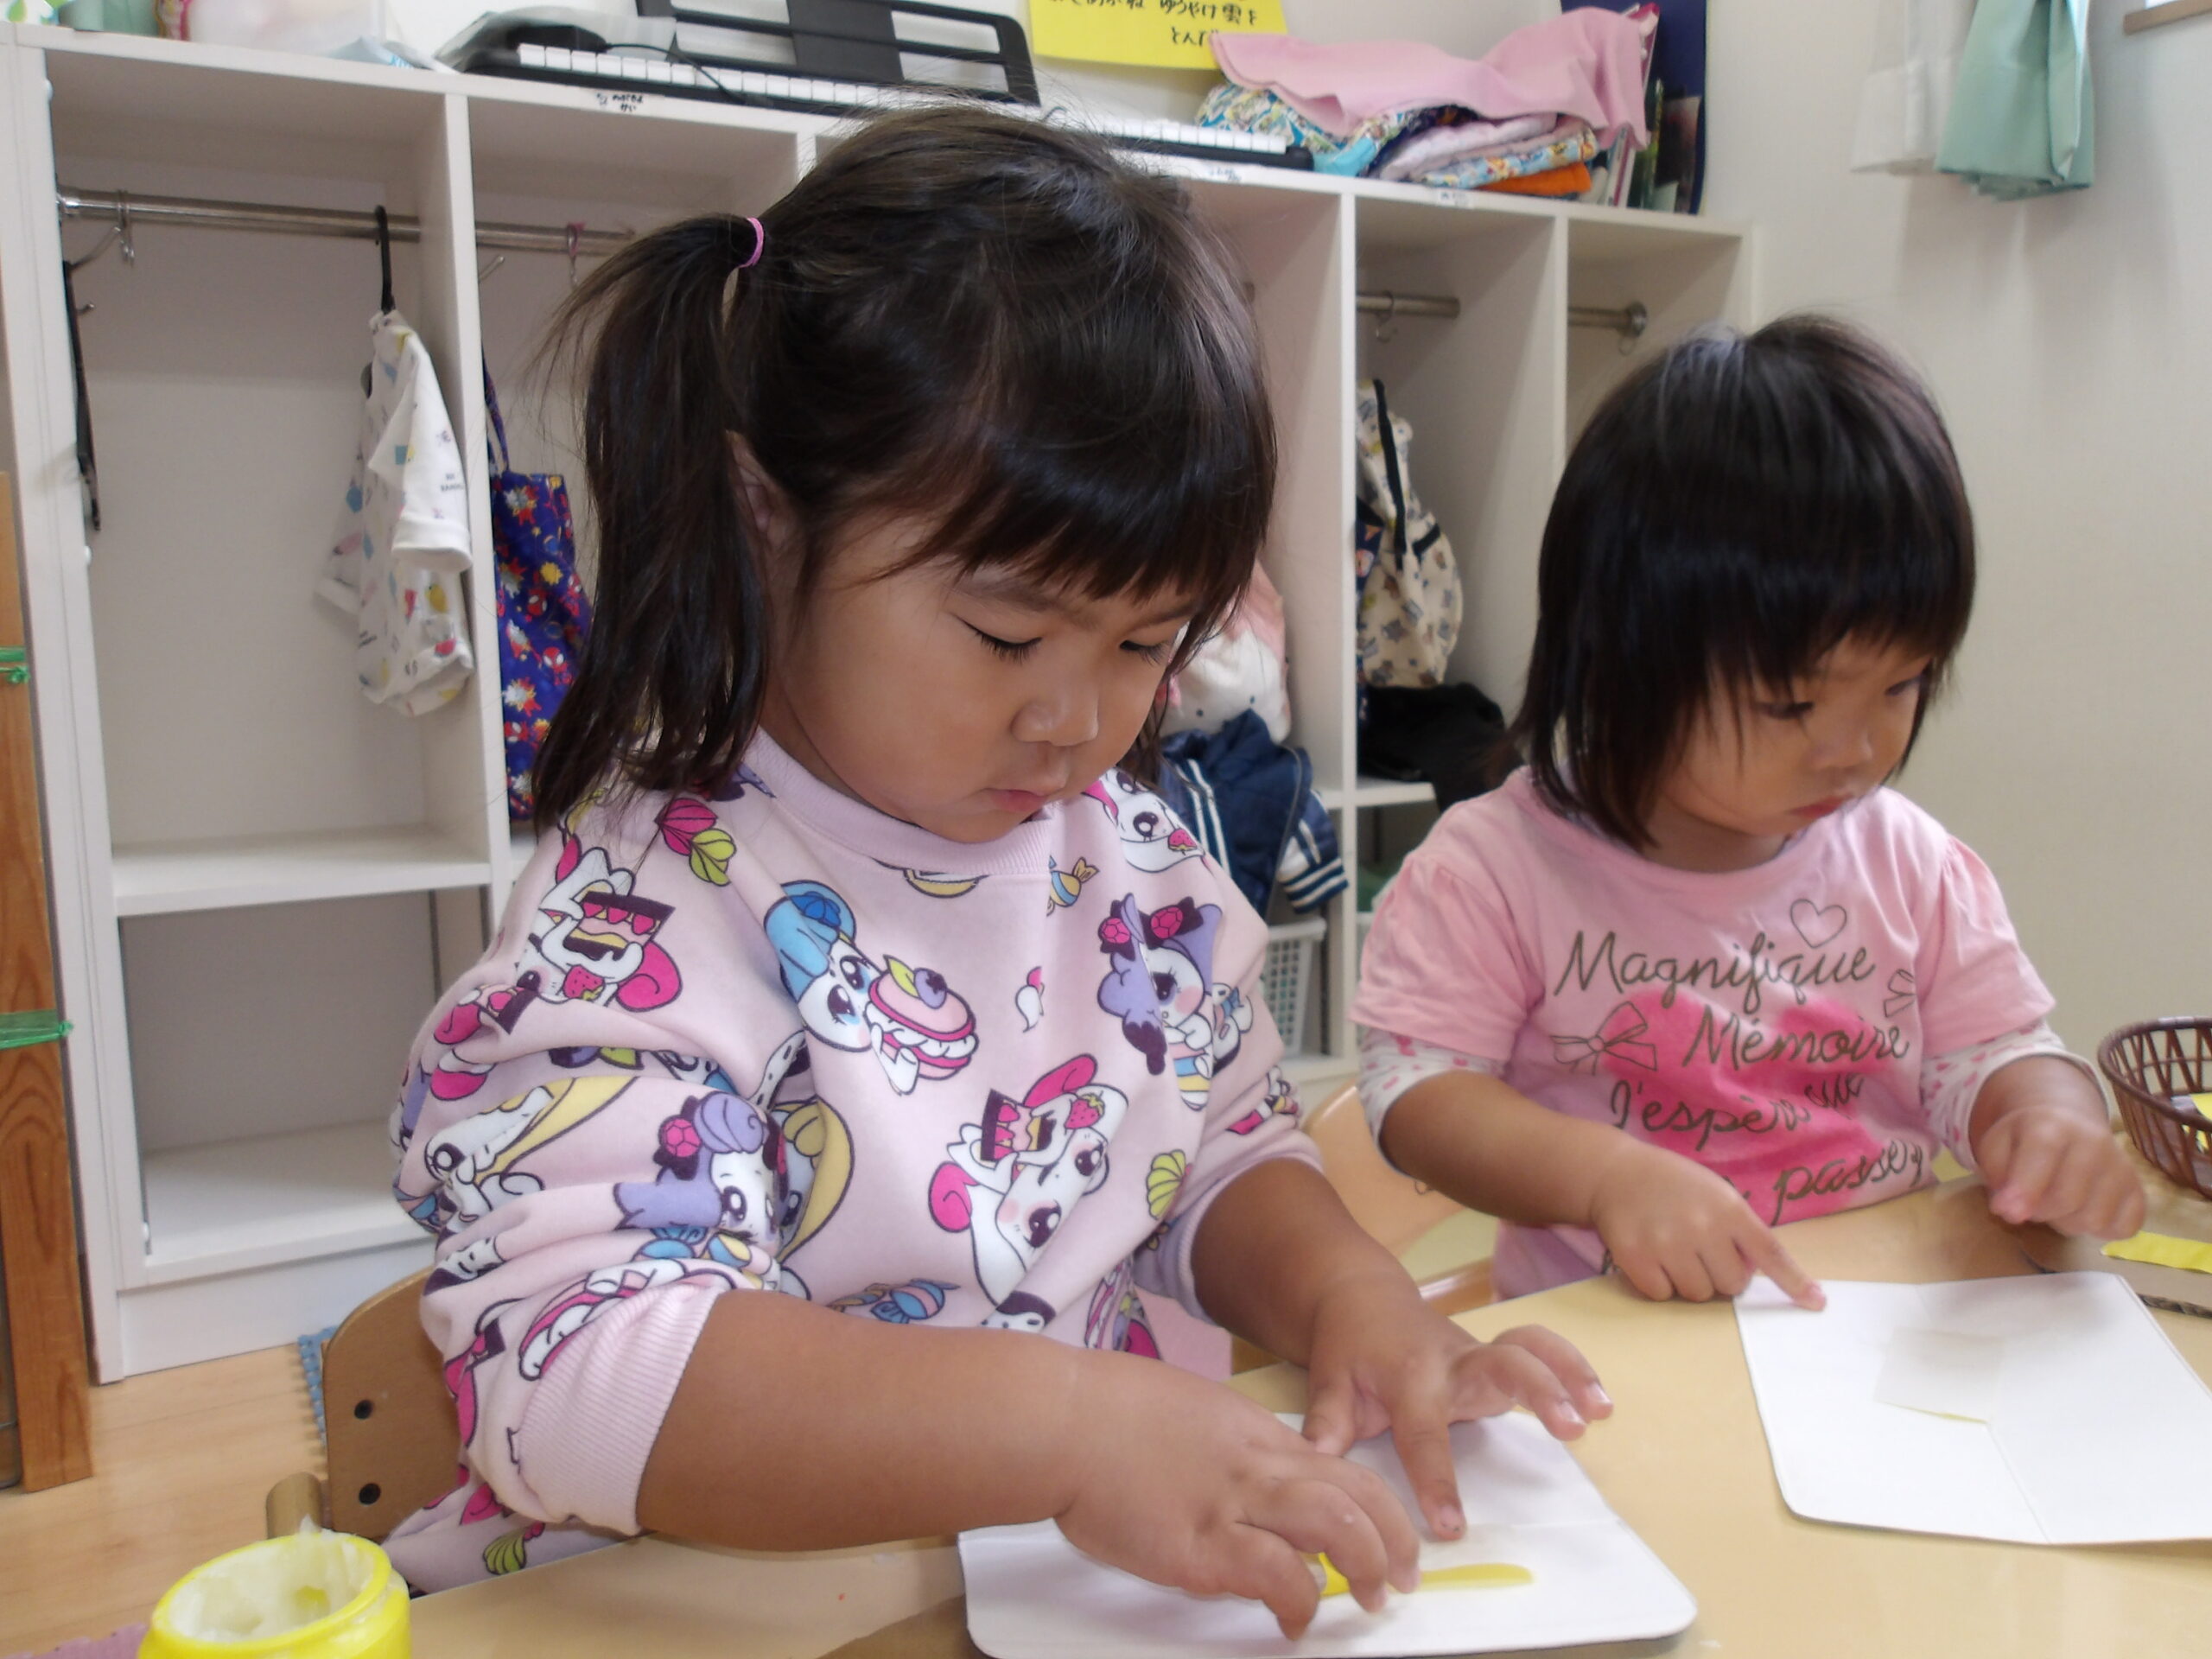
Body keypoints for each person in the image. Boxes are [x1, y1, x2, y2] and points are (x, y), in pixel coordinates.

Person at [385, 107, 1608, 1630]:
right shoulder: (643, 919)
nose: (1076, 720)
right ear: (768, 521)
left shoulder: (1136, 870)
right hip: (687, 1609)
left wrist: (1353, 1299)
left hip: (1048, 1595)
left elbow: (1218, 1159)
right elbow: (581, 1371)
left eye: (1145, 644)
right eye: (1008, 635)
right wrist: (1071, 1430)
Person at [1356, 315, 2143, 1309]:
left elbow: (1995, 1055)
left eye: (1900, 686)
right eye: (1791, 704)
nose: (1853, 749)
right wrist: (1602, 1180)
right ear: (1620, 658)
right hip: (1627, 1334)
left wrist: (2048, 1119)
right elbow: (1418, 1097)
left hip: (1873, 1318)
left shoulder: (1913, 867)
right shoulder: (1494, 870)